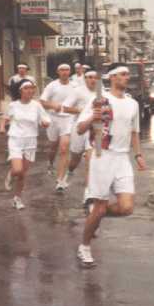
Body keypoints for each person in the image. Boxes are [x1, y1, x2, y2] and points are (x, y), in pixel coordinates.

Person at [75, 63, 148, 267]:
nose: (127, 77)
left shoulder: (132, 103)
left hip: (123, 159)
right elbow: (80, 129)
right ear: (112, 78)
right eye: (123, 74)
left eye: (127, 75)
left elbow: (134, 132)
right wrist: (92, 118)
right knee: (99, 208)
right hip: (102, 155)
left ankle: (94, 212)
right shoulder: (99, 100)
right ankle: (84, 247)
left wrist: (139, 155)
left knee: (126, 208)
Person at [0, 79, 51, 209]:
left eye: (32, 88)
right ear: (20, 90)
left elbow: (45, 119)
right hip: (16, 139)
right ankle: (11, 174)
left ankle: (17, 198)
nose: (30, 90)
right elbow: (5, 117)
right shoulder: (13, 105)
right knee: (18, 169)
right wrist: (2, 127)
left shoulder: (37, 105)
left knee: (22, 174)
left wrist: (45, 123)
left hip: (31, 140)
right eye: (26, 88)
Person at [62, 68, 99, 205]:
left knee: (91, 161)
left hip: (94, 130)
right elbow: (65, 108)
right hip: (79, 127)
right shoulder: (78, 91)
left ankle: (88, 194)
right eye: (89, 77)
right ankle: (70, 171)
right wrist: (80, 110)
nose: (92, 80)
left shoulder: (103, 92)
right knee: (75, 158)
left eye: (94, 77)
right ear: (85, 79)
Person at [40, 63, 75, 191]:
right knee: (53, 146)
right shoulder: (52, 85)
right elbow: (42, 102)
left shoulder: (74, 86)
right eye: (62, 70)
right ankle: (50, 162)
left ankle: (60, 180)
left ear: (70, 72)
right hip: (54, 119)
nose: (65, 72)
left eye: (67, 70)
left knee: (64, 148)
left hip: (68, 119)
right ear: (58, 72)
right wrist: (52, 105)